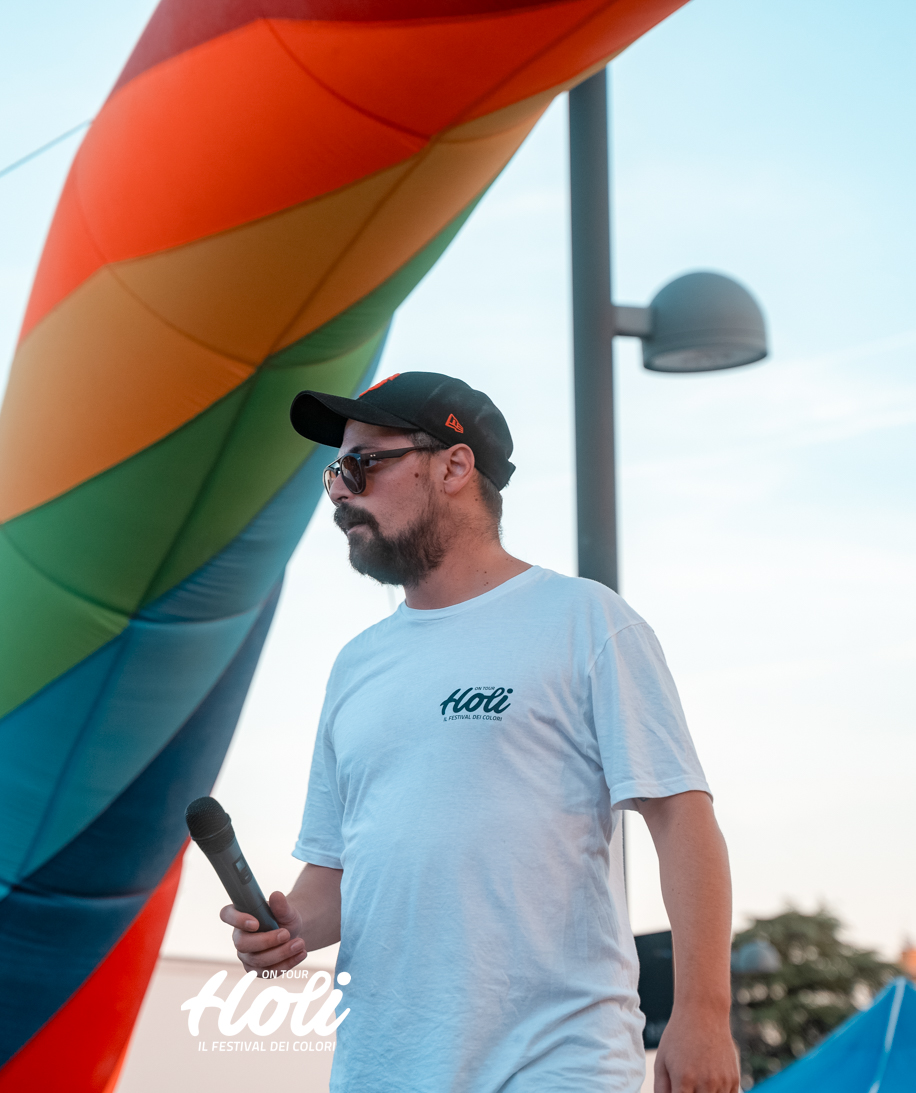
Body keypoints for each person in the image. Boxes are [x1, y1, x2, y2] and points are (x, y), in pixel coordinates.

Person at [218, 372, 740, 1093]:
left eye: (361, 465)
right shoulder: (356, 665)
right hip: (381, 1068)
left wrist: (704, 1013)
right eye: (334, 473)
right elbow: (337, 869)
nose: (339, 492)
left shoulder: (587, 622)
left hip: (557, 1063)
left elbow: (683, 820)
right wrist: (286, 928)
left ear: (454, 465)